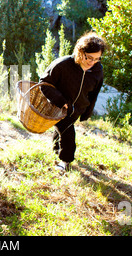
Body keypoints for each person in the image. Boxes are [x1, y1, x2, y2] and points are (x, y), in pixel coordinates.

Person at [39, 32, 106, 174]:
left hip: (78, 109)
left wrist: (87, 111)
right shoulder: (63, 64)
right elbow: (43, 83)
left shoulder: (97, 70)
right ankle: (65, 162)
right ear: (80, 51)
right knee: (68, 132)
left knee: (63, 130)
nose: (92, 62)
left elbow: (94, 93)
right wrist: (61, 101)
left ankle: (56, 149)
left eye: (97, 58)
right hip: (57, 106)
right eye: (89, 57)